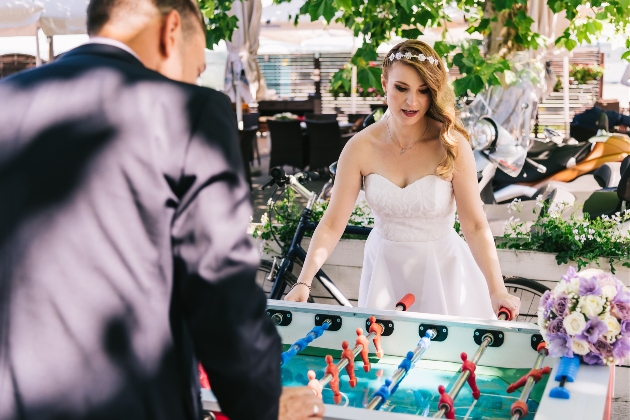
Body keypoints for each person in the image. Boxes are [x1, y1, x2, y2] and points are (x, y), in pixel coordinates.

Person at [0, 1, 323, 419]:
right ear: (171, 30)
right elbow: (220, 287)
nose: (193, 79)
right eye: (194, 68)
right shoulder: (190, 111)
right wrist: (262, 402)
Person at [285, 40, 520, 319]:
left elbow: (476, 225)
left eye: (423, 91)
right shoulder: (360, 147)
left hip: (444, 271)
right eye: (401, 88)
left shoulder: (452, 144)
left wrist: (497, 289)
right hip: (384, 270)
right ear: (384, 82)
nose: (412, 102)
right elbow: (334, 222)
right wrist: (303, 282)